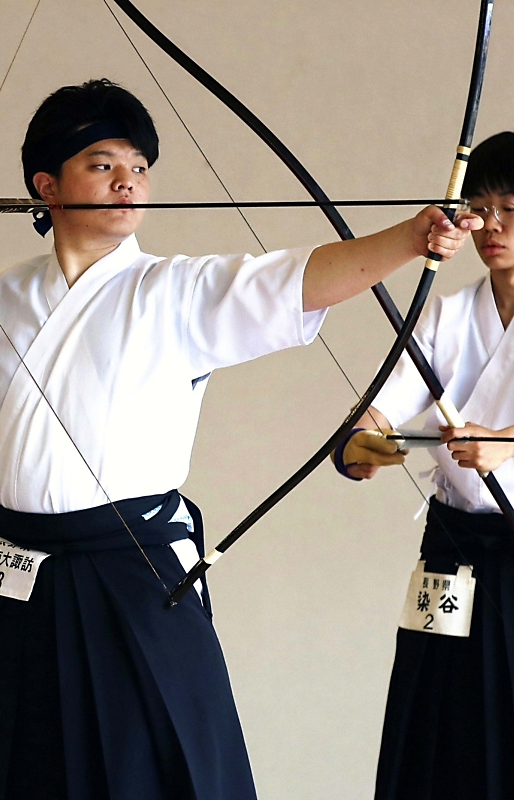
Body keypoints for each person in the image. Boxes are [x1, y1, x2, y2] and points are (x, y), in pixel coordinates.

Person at [0, 79, 479, 800]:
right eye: (103, 164)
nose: (128, 180)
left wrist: (411, 239)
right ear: (46, 185)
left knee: (147, 768)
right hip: (21, 566)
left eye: (140, 166)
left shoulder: (177, 291)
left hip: (130, 566)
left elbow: (300, 280)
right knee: (12, 765)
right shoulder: (2, 293)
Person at [332, 131, 514, 799]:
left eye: (512, 209)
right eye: (480, 208)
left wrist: (504, 441)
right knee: (434, 728)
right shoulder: (453, 313)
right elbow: (387, 405)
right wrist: (363, 441)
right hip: (451, 548)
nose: (492, 225)